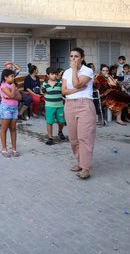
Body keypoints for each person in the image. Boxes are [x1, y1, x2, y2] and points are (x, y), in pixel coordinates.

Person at [62, 47, 96, 180]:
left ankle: (85, 168)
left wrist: (75, 70)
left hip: (84, 105)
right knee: (74, 138)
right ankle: (80, 162)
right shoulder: (66, 72)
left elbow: (76, 83)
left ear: (82, 57)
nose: (73, 59)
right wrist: (75, 91)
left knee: (85, 137)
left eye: (76, 56)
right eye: (71, 56)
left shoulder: (88, 71)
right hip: (69, 105)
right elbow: (63, 91)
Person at [0, 69, 21, 157]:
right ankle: (4, 149)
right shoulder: (3, 86)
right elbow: (12, 95)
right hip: (6, 108)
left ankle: (14, 149)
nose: (13, 78)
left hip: (14, 108)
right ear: (5, 77)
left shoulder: (12, 85)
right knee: (4, 128)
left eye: (13, 76)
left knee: (13, 129)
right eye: (11, 76)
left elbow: (19, 97)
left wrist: (11, 96)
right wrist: (13, 89)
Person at [42, 67, 66, 145]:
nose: (54, 76)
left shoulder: (60, 83)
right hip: (49, 106)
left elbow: (63, 92)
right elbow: (43, 92)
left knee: (61, 121)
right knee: (49, 122)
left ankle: (60, 131)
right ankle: (50, 138)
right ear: (48, 75)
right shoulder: (45, 83)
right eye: (52, 74)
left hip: (59, 105)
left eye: (55, 74)